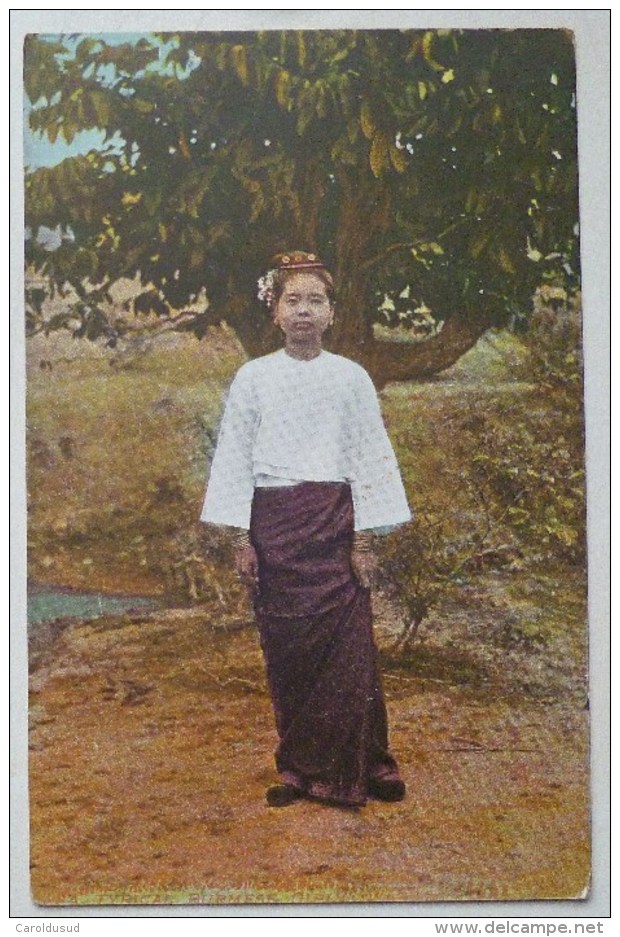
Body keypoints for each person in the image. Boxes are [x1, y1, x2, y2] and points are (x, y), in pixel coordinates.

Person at [201, 251, 412, 809]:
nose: (303, 312)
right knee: (289, 651)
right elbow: (235, 458)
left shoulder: (351, 378)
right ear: (274, 312)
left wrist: (364, 540)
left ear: (331, 313)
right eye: (292, 300)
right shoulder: (253, 378)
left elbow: (370, 458)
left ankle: (371, 763)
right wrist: (242, 539)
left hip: (336, 527)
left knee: (350, 653)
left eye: (315, 300)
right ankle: (297, 770)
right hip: (277, 530)